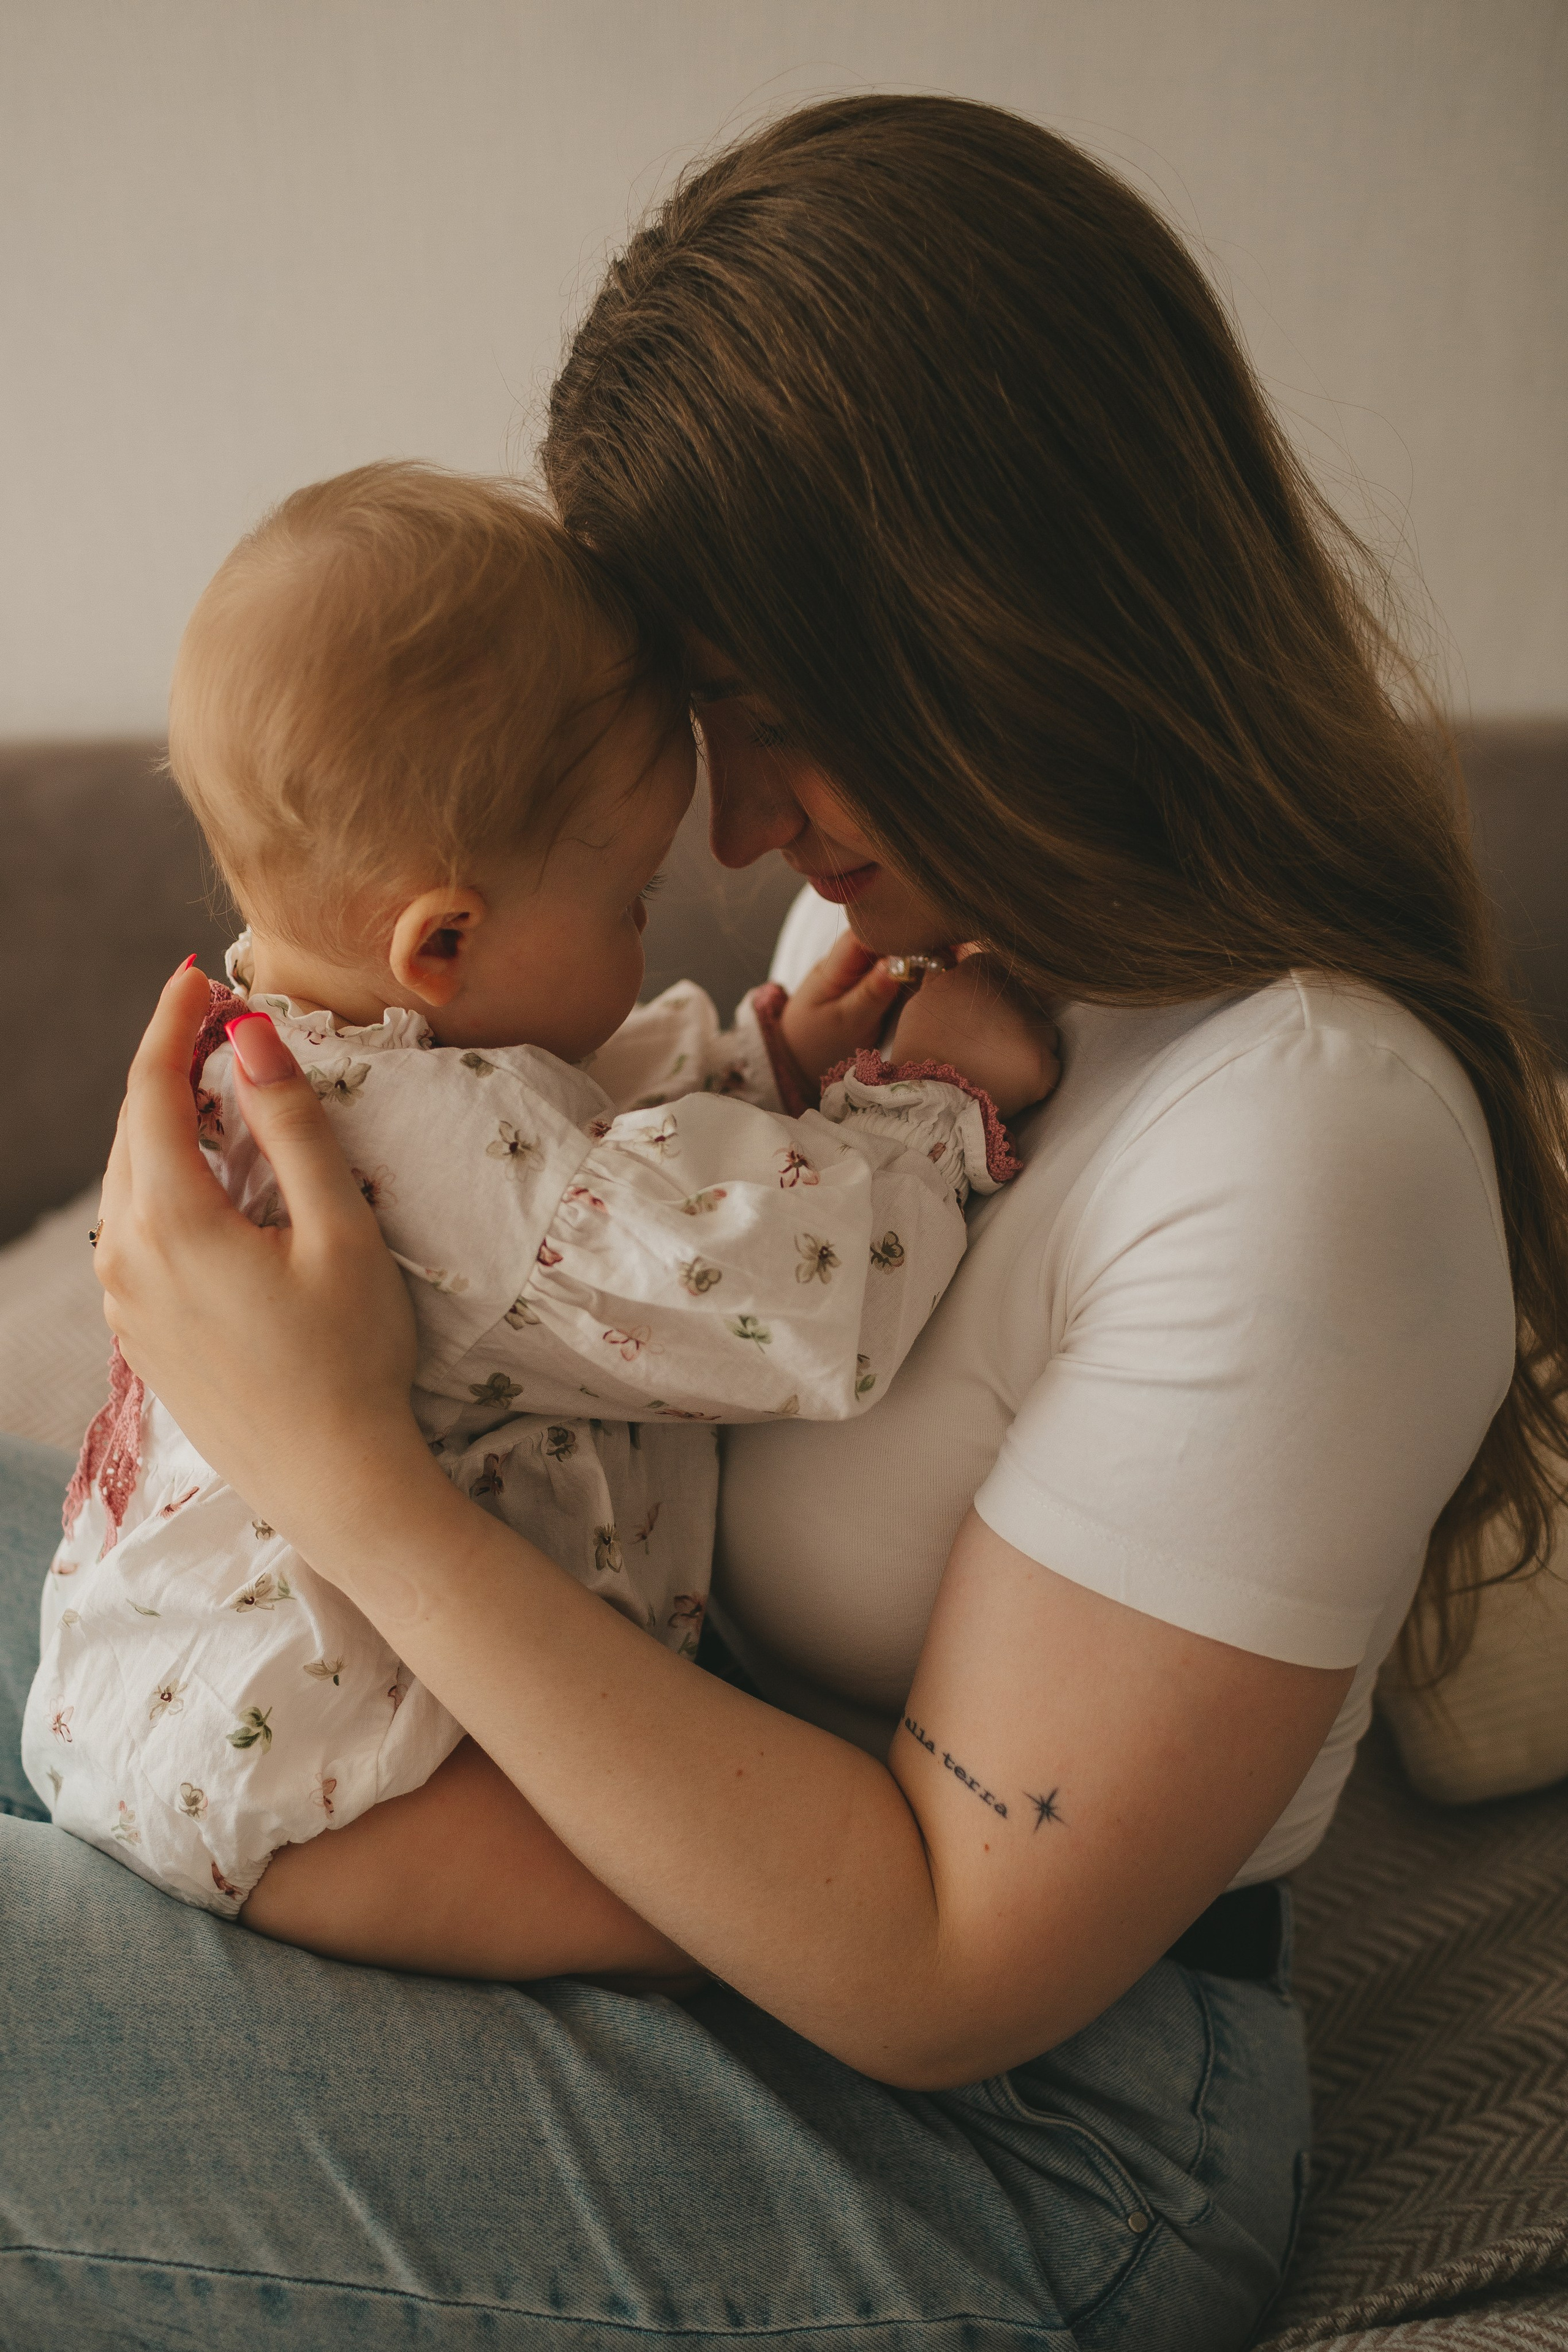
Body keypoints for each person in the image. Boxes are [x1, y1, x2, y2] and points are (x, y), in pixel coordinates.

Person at [2, 94, 1565, 2352]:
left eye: (763, 712)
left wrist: (332, 1461)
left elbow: (948, 1965)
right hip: (665, 1846)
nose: (738, 825)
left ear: (987, 617)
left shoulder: (1316, 1133)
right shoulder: (956, 940)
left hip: (1021, 2149)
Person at [24, 459, 1041, 1937]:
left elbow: (569, 1114)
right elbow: (792, 1297)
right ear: (439, 944)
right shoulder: (468, 1177)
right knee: (696, 1922)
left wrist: (755, 1059)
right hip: (335, 1776)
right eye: (630, 900)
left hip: (161, 1687)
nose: (658, 915)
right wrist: (925, 1108)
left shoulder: (325, 1042)